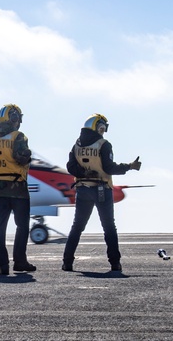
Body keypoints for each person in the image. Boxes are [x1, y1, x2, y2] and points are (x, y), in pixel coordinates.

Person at [62, 114, 141, 272]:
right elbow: (109, 168)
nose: (103, 131)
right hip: (102, 190)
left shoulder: (76, 145)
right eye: (103, 127)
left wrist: (84, 172)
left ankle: (67, 262)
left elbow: (70, 167)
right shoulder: (103, 144)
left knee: (77, 227)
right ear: (98, 127)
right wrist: (130, 166)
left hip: (82, 189)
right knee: (109, 227)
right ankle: (115, 263)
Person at [0, 104, 37, 275]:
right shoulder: (18, 136)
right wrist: (27, 155)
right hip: (17, 188)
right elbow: (21, 158)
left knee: (0, 227)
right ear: (14, 118)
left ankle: (2, 264)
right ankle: (20, 261)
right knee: (22, 226)